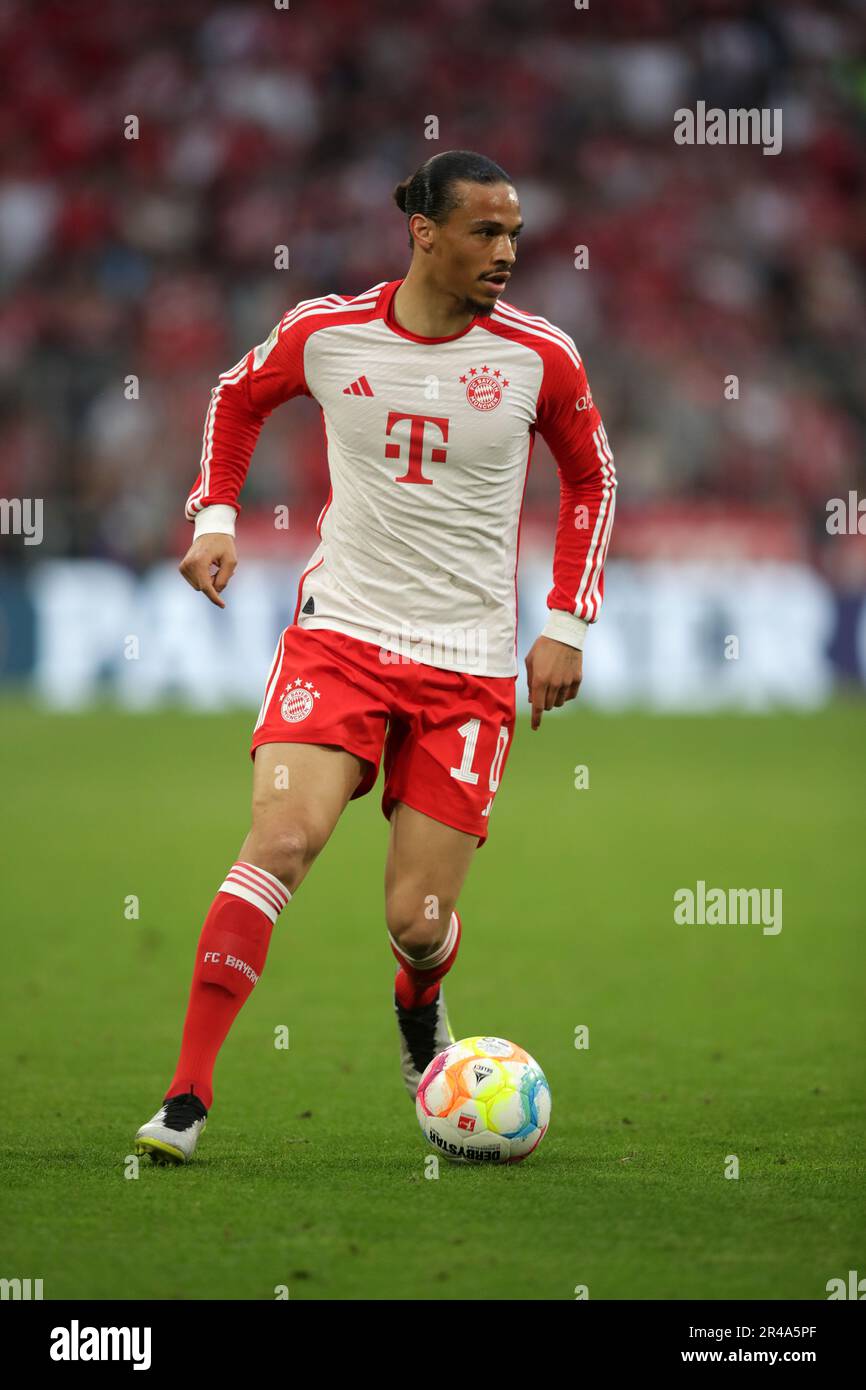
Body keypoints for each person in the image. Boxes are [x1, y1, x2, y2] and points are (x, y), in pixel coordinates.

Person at [134, 149, 616, 1164]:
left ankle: (420, 1005)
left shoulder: (540, 357)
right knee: (280, 842)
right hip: (342, 636)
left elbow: (591, 479)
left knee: (417, 921)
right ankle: (186, 1093)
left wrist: (565, 622)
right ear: (424, 233)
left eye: (515, 234)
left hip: (468, 667)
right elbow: (234, 396)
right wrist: (215, 513)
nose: (506, 252)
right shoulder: (328, 331)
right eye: (485, 232)